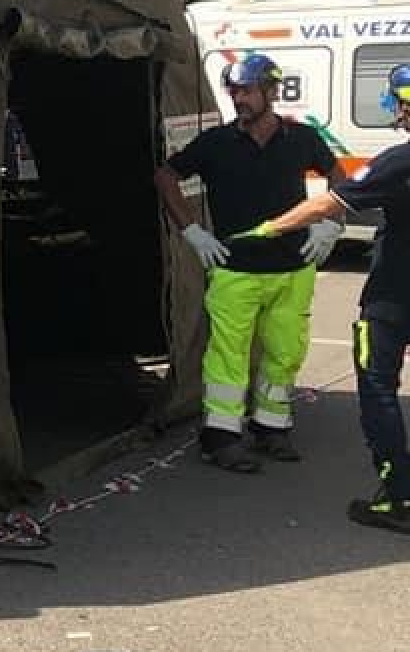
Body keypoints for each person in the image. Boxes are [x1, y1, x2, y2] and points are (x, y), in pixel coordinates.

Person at [238, 63, 410, 532]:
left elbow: (328, 201)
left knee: (377, 389)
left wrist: (270, 227)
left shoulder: (399, 160)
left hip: (395, 298)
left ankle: (399, 498)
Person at [152, 53, 344, 471]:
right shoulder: (217, 143)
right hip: (235, 271)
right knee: (228, 356)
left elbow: (339, 176)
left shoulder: (300, 138)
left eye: (248, 90)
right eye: (234, 91)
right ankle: (221, 438)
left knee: (284, 351)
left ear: (271, 91)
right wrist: (191, 231)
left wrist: (330, 221)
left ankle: (271, 428)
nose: (239, 98)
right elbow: (165, 176)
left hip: (293, 269)